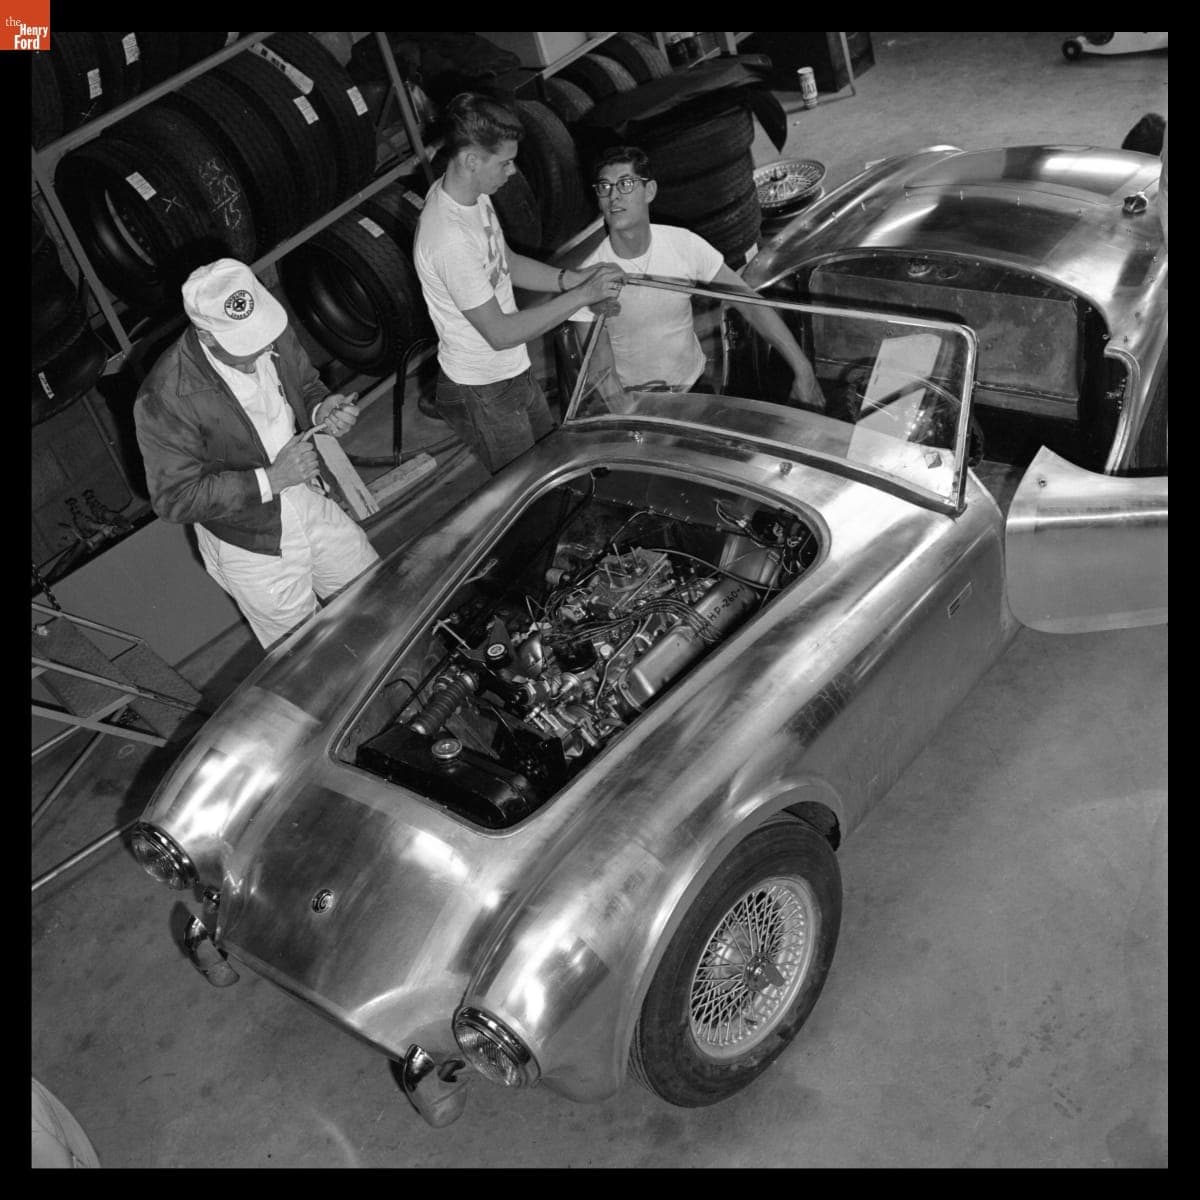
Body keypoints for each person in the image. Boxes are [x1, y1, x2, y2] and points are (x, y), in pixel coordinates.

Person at [134, 258, 379, 649]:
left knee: (377, 600)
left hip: (307, 495)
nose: (264, 345)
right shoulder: (165, 397)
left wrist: (323, 409)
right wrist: (272, 479)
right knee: (308, 654)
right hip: (252, 542)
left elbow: (306, 384)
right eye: (246, 343)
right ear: (206, 335)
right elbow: (174, 499)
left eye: (262, 333)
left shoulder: (268, 329)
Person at [413, 92, 626, 474]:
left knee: (551, 463)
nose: (512, 172)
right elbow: (501, 333)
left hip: (512, 369)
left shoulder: (473, 196)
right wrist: (582, 295)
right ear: (472, 160)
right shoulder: (448, 239)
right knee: (526, 485)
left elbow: (505, 261)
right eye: (505, 163)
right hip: (485, 388)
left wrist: (570, 279)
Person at [572, 145, 824, 407]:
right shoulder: (589, 276)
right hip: (634, 402)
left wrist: (803, 369)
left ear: (649, 191)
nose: (613, 196)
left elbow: (749, 304)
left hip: (694, 387)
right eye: (604, 187)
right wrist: (623, 407)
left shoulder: (684, 245)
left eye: (625, 184)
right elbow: (598, 360)